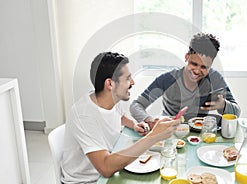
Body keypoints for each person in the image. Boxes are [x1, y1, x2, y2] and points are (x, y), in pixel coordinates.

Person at [61, 52, 180, 183]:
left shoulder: (109, 99)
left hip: (109, 173)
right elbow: (106, 168)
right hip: (88, 181)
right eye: (128, 78)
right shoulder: (84, 115)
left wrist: (134, 125)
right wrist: (154, 136)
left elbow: (120, 117)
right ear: (110, 84)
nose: (133, 82)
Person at [130, 33, 241, 128]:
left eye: (204, 67)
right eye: (194, 64)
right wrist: (148, 120)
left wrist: (223, 105)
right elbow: (136, 105)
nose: (197, 71)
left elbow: (237, 112)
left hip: (199, 132)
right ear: (186, 57)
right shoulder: (168, 79)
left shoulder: (215, 79)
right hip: (169, 130)